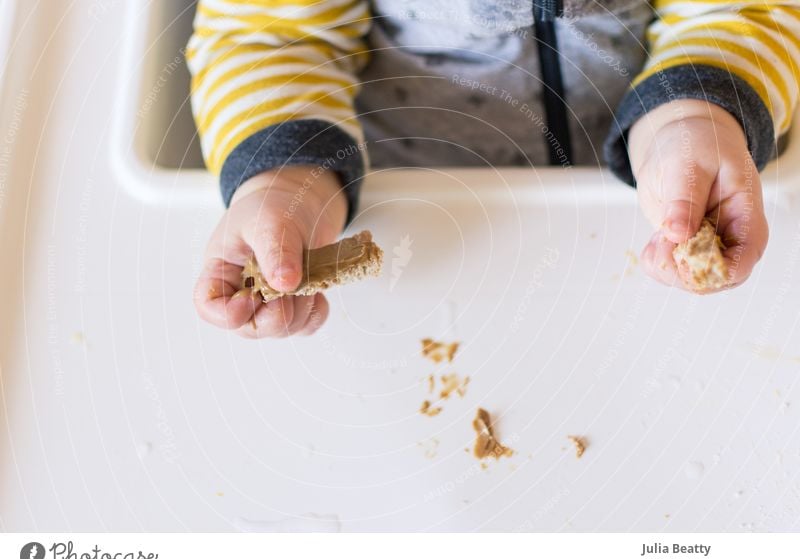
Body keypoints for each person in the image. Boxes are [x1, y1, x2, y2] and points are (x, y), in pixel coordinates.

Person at [187, 0, 799, 338]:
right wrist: (287, 177)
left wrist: (692, 119)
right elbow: (270, 37)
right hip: (410, 208)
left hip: (634, 192)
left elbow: (744, 9)